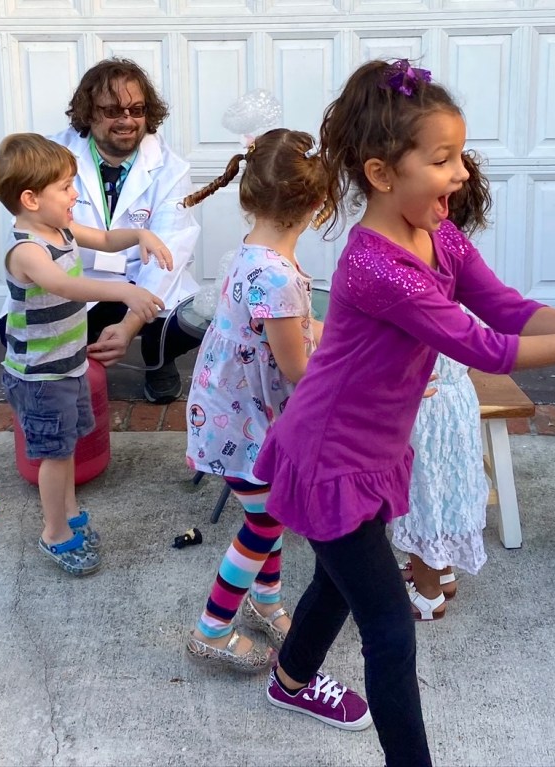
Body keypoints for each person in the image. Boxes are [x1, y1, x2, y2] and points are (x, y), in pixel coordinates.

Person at [250, 59, 555, 765]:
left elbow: (508, 309)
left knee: (339, 578)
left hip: (370, 449)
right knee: (391, 627)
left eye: (461, 154)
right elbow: (488, 348)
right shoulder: (376, 264)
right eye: (443, 158)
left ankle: (289, 678)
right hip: (328, 455)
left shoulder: (440, 234)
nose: (461, 174)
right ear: (382, 173)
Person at [178, 128, 365, 721]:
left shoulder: (251, 253)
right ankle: (212, 627)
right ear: (320, 206)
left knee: (272, 507)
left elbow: (283, 341)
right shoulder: (280, 277)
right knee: (265, 519)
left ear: (248, 195)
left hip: (229, 411)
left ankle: (265, 599)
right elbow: (297, 369)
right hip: (244, 425)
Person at [0, 133, 170, 576]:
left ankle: (68, 513)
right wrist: (124, 291)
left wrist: (140, 233)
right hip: (39, 376)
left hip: (68, 366)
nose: (75, 194)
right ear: (30, 198)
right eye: (66, 187)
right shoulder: (27, 250)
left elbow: (105, 239)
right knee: (52, 452)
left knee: (65, 447)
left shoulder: (62, 229)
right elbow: (66, 286)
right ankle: (54, 532)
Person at [0, 58, 202, 404]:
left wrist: (128, 326)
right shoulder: (49, 159)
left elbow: (168, 255)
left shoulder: (172, 169)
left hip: (141, 279)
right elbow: (33, 230)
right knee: (15, 331)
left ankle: (158, 360)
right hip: (79, 276)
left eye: (137, 109)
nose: (127, 120)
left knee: (192, 318)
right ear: (88, 112)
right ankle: (82, 362)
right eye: (112, 110)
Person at [394, 151, 493, 620]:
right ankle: (444, 573)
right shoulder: (454, 268)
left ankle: (428, 594)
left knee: (423, 497)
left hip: (426, 404)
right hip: (456, 401)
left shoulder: (419, 273)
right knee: (449, 488)